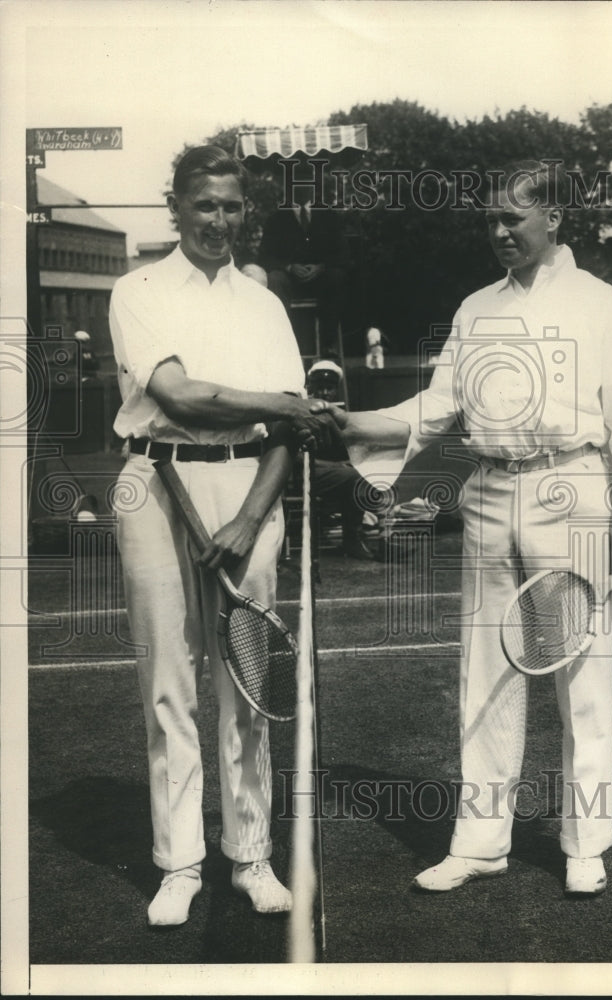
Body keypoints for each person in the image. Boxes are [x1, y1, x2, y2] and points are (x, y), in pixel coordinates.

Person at [329, 160, 612, 897]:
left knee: (583, 674)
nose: (498, 231)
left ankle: (586, 844)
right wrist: (353, 424)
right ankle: (480, 842)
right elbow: (437, 408)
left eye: (511, 218)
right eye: (489, 218)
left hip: (574, 491)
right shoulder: (474, 307)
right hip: (488, 492)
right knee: (483, 670)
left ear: (554, 218)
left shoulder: (602, 302)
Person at [109, 145, 337, 927]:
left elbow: (289, 431)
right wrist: (282, 403)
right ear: (175, 206)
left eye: (231, 206)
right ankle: (179, 863)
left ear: (247, 213)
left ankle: (251, 855)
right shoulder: (136, 290)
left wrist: (247, 519)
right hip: (153, 486)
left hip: (249, 491)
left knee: (247, 683)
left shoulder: (265, 305)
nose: (218, 220)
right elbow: (179, 396)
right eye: (204, 204)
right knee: (168, 683)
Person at [258, 163, 349, 356]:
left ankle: (328, 344)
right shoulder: (276, 220)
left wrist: (321, 267)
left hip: (321, 281)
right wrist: (289, 267)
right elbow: (264, 257)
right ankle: (281, 342)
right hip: (289, 282)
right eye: (296, 183)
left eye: (307, 183)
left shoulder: (328, 217)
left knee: (337, 277)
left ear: (314, 186)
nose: (302, 188)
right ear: (288, 187)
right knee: (274, 278)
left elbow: (342, 253)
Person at [305, 359, 375, 561]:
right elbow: (297, 457)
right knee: (354, 477)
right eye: (320, 388)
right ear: (311, 388)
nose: (325, 393)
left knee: (368, 469)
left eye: (330, 388)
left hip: (326, 472)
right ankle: (353, 540)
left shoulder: (336, 413)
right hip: (303, 472)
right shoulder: (304, 411)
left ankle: (379, 534)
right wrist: (338, 465)